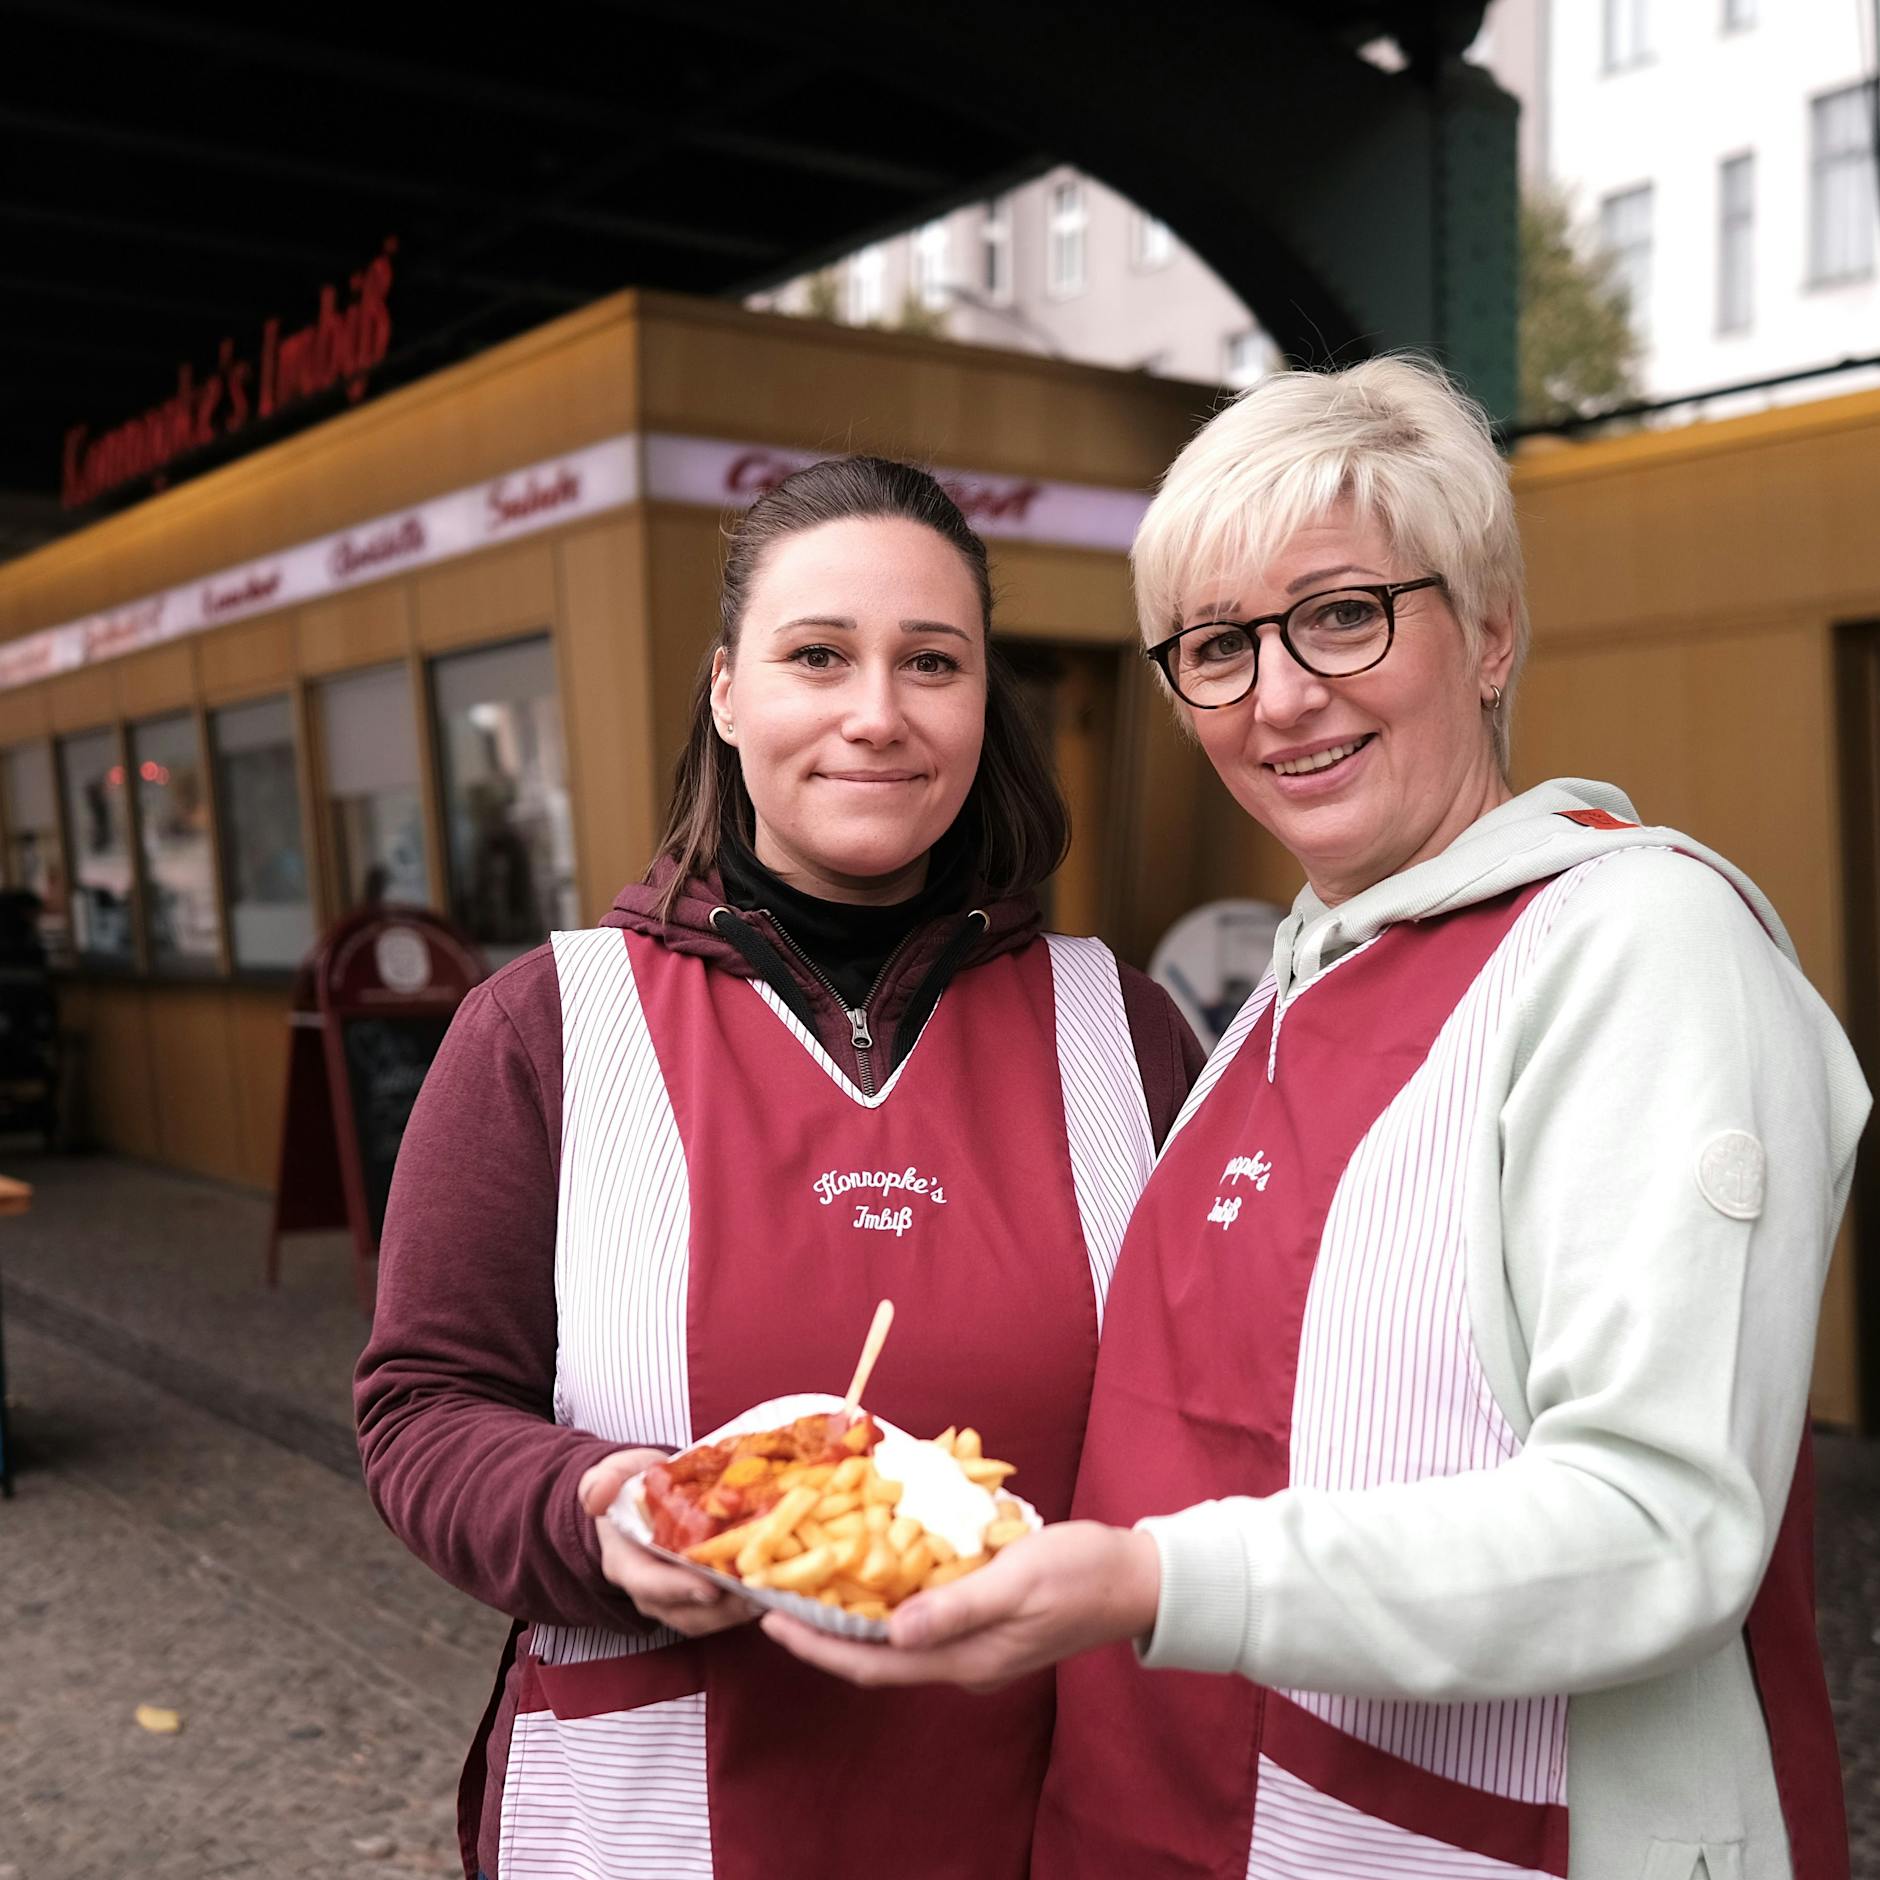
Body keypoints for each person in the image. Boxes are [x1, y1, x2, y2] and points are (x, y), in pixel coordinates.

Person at [763, 364, 1870, 1880]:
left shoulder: (1641, 948)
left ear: (1490, 632)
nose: (1280, 696)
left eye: (1343, 615)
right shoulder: (1284, 992)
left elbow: (1657, 1525)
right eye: (1219, 646)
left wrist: (1153, 1583)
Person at [354, 455, 1203, 1880]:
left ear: (980, 704)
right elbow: (422, 1412)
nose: (877, 712)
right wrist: (595, 1511)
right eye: (818, 655)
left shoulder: (1123, 1028)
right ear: (727, 693)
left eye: (931, 662)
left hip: (1052, 1819)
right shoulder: (546, 1028)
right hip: (656, 1825)